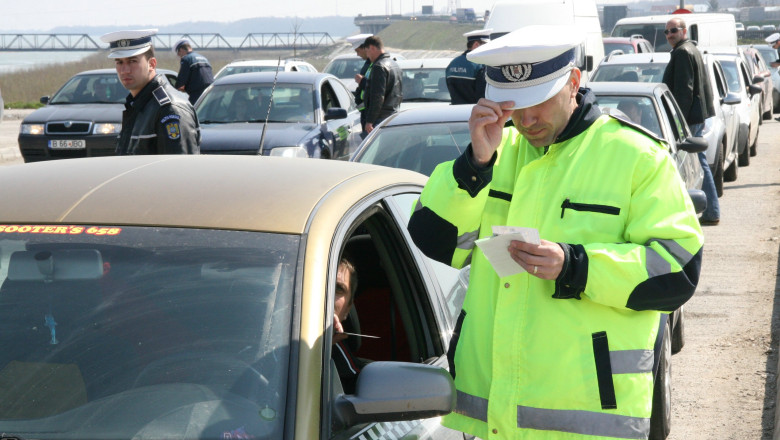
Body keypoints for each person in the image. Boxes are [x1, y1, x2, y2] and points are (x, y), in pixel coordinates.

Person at [407, 25, 704, 440]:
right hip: (494, 421)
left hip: (592, 422)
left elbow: (678, 271)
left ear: (573, 83)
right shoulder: (493, 153)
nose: (526, 120)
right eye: (514, 105)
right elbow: (432, 238)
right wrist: (474, 164)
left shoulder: (637, 157)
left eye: (539, 103)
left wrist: (577, 267)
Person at [100, 29, 200, 155]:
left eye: (132, 61)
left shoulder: (169, 109)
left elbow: (179, 170)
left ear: (152, 64)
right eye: (119, 62)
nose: (124, 70)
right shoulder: (139, 104)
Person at [661, 17, 719, 225]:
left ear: (684, 31)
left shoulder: (683, 52)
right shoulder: (688, 49)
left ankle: (711, 210)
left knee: (697, 162)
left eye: (674, 30)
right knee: (697, 161)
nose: (669, 35)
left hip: (689, 117)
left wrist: (679, 122)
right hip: (695, 115)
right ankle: (710, 209)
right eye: (667, 31)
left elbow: (684, 90)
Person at [331, 255, 367, 394]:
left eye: (338, 289)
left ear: (347, 308)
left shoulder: (358, 385)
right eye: (313, 283)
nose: (322, 294)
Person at [362, 36, 402, 134]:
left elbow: (378, 96)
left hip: (380, 118)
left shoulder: (379, 67)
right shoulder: (394, 64)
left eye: (367, 52)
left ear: (372, 48)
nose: (367, 56)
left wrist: (370, 121)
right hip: (393, 116)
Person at [445, 28, 490, 104]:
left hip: (454, 111)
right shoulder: (479, 64)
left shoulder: (453, 63)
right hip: (474, 111)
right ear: (476, 44)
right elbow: (483, 94)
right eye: (486, 45)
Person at [173, 38, 214, 105]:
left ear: (181, 50)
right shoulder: (204, 58)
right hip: (210, 93)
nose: (178, 55)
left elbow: (181, 80)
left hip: (197, 94)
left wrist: (176, 88)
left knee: (192, 113)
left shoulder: (186, 59)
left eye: (178, 52)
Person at [346, 34, 373, 135]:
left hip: (370, 114)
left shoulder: (374, 64)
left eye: (358, 51)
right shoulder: (368, 64)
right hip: (365, 112)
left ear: (365, 48)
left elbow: (375, 88)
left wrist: (362, 81)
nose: (357, 55)